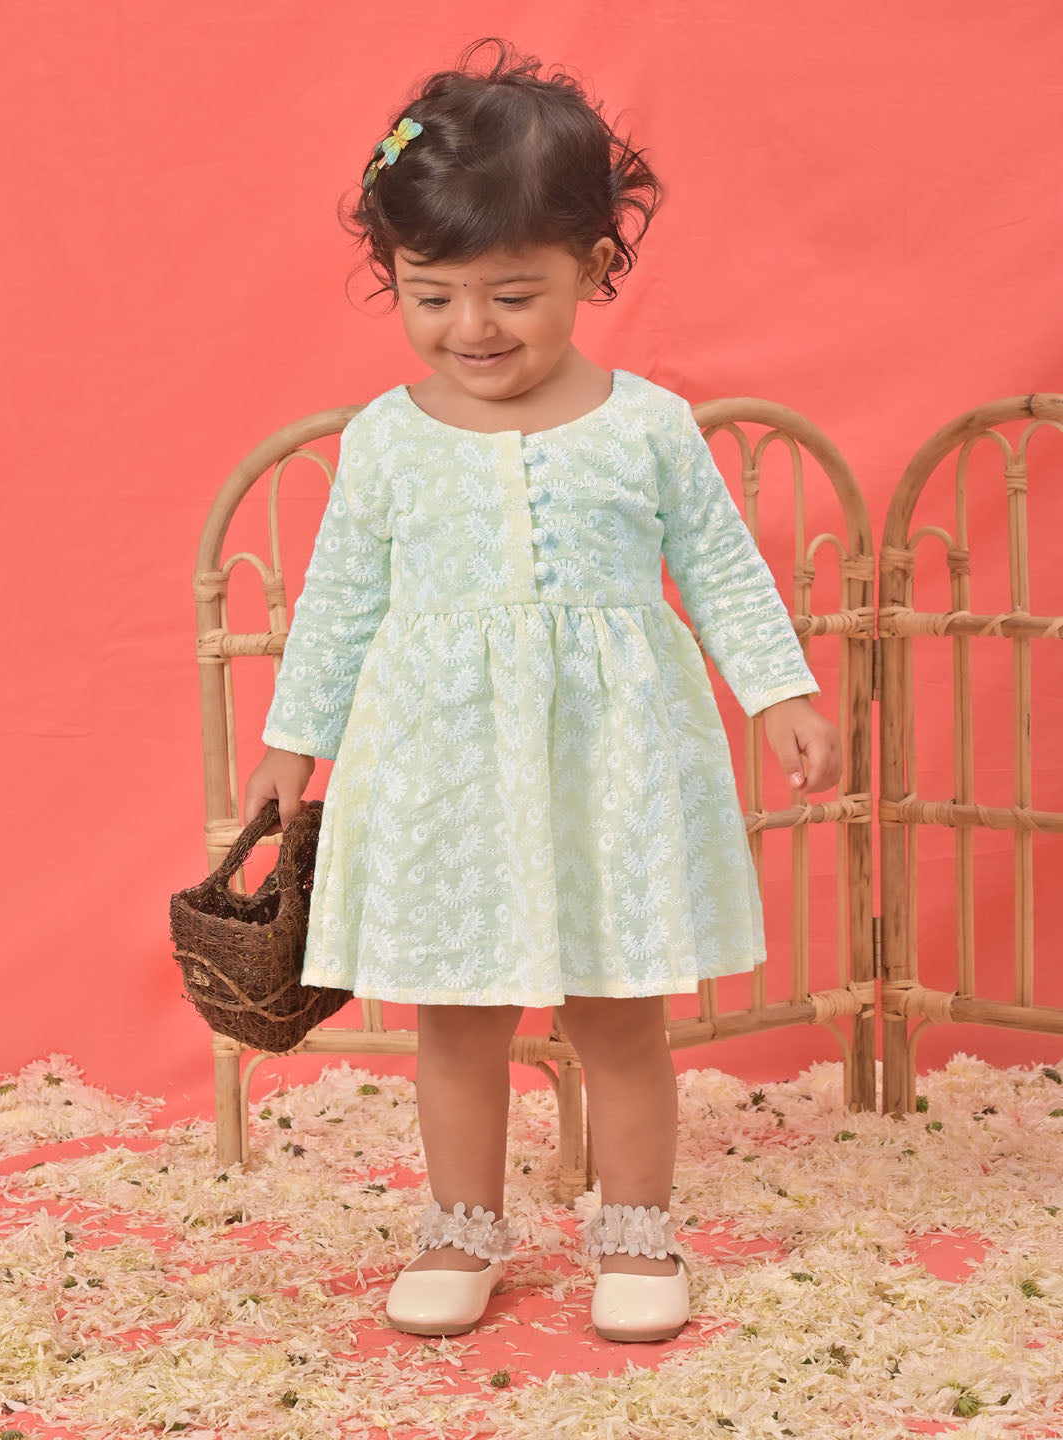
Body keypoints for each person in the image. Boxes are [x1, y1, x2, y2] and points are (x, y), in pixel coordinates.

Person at [243, 36, 843, 1344]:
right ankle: (459, 1228)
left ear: (594, 263)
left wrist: (779, 693)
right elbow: (337, 602)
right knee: (458, 1021)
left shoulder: (649, 426)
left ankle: (636, 1231)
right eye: (431, 295)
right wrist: (295, 741)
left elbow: (723, 569)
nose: (472, 329)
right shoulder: (386, 441)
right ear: (392, 279)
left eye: (512, 294)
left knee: (618, 1015)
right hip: (445, 767)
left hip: (611, 764)